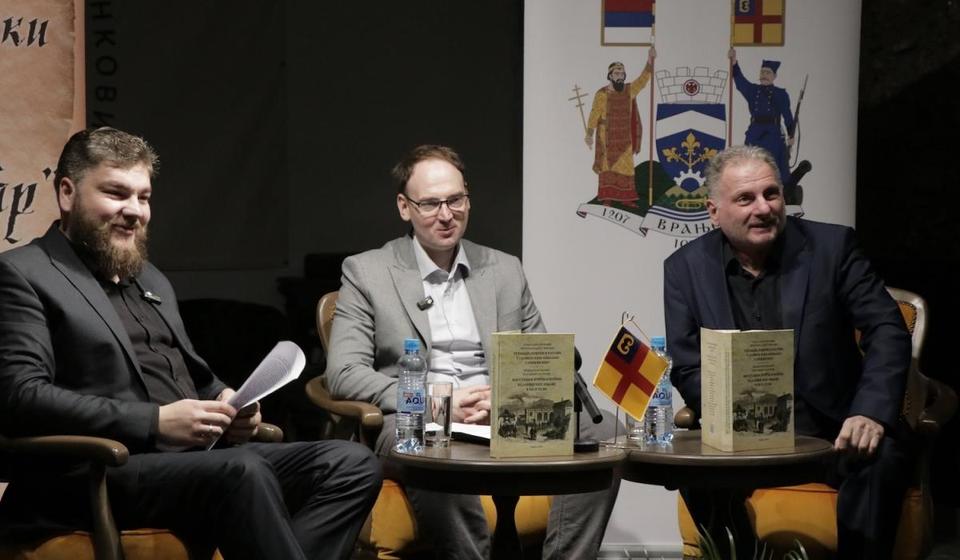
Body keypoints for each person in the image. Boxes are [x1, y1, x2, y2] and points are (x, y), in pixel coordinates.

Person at [0, 127, 382, 560]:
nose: (134, 211)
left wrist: (225, 400)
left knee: (351, 464)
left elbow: (190, 375)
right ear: (67, 193)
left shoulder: (149, 278)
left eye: (143, 197)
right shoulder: (24, 273)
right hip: (100, 469)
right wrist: (154, 422)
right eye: (116, 193)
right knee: (242, 469)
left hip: (193, 461)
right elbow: (20, 396)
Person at [325, 144, 620, 559]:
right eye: (430, 203)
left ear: (468, 198)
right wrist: (439, 401)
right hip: (418, 420)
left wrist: (507, 399)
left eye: (455, 200)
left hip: (503, 413)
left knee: (607, 433)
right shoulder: (367, 271)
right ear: (404, 207)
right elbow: (344, 372)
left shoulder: (504, 269)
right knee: (430, 451)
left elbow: (542, 362)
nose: (446, 215)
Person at [663, 144, 915, 559]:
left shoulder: (833, 248)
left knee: (881, 458)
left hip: (834, 431)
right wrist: (726, 419)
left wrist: (869, 411)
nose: (762, 208)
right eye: (745, 198)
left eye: (771, 194)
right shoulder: (684, 268)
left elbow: (887, 328)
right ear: (713, 211)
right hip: (740, 440)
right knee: (694, 469)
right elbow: (689, 364)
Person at [585, 47, 656, 207]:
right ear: (610, 75)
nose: (620, 77)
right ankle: (607, 198)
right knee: (607, 168)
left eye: (622, 74)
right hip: (607, 138)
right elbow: (594, 114)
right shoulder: (601, 94)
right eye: (617, 74)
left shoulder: (629, 90)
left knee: (627, 168)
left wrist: (649, 61)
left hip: (625, 138)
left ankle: (626, 199)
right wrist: (589, 134)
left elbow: (643, 80)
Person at [728, 48, 795, 187]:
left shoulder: (781, 94)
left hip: (773, 133)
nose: (764, 75)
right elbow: (740, 82)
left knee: (773, 165)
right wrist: (734, 63)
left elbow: (787, 115)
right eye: (762, 72)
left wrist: (791, 134)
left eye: (768, 72)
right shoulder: (753, 91)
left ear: (774, 76)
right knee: (750, 162)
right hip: (755, 132)